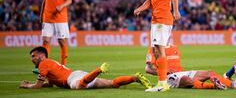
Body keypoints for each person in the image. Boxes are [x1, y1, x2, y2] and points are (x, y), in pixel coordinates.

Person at [134, 0, 181, 92]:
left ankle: (162, 84)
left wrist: (176, 11)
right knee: (156, 51)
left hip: (163, 20)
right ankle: (162, 82)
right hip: (155, 21)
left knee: (160, 50)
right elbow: (149, 2)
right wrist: (140, 9)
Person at [20, 46, 151, 90]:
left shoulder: (43, 63)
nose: (32, 59)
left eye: (33, 56)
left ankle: (99, 69)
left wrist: (27, 86)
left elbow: (37, 85)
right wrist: (35, 84)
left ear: (41, 56)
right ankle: (134, 78)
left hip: (73, 78)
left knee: (78, 87)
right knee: (112, 84)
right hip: (78, 74)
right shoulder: (49, 63)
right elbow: (49, 85)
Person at [145, 45, 236, 90]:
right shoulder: (154, 49)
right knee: (186, 79)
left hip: (181, 73)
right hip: (168, 78)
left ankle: (233, 84)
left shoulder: (174, 47)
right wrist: (163, 71)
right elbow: (148, 69)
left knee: (209, 73)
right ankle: (214, 86)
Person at [40, 0, 72, 65]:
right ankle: (44, 65)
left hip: (60, 19)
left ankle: (63, 65)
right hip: (47, 18)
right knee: (45, 41)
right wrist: (41, 15)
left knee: (62, 42)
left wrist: (62, 6)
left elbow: (69, 0)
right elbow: (44, 1)